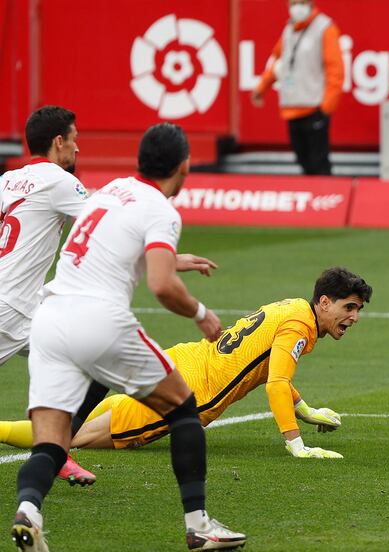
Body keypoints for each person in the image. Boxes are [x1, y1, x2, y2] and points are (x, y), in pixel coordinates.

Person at [11, 123, 246, 552]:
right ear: (185, 165)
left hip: (49, 318)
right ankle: (199, 525)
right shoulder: (161, 209)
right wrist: (202, 314)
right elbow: (161, 285)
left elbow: (113, 244)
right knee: (183, 409)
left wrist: (176, 259)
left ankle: (29, 512)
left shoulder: (109, 191)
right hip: (99, 320)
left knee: (51, 441)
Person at [0, 267, 372, 458]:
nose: (353, 317)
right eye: (348, 307)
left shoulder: (292, 307)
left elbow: (264, 370)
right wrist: (296, 443)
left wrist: (305, 409)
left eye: (357, 309)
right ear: (324, 302)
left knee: (86, 416)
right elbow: (275, 382)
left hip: (182, 359)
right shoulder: (300, 327)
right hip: (187, 394)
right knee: (68, 438)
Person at [0, 106, 103, 487]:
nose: (77, 149)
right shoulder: (60, 181)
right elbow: (102, 223)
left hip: (28, 308)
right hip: (10, 308)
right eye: (74, 139)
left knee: (94, 360)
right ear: (59, 141)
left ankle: (56, 450)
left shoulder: (9, 179)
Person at [251, 0, 344, 176]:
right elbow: (279, 63)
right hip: (292, 108)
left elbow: (336, 71)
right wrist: (261, 87)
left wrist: (326, 108)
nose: (297, 7)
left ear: (310, 3)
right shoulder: (289, 29)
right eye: (293, 3)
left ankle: (326, 195)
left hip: (314, 108)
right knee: (303, 161)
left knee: (319, 163)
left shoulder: (325, 29)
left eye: (301, 2)